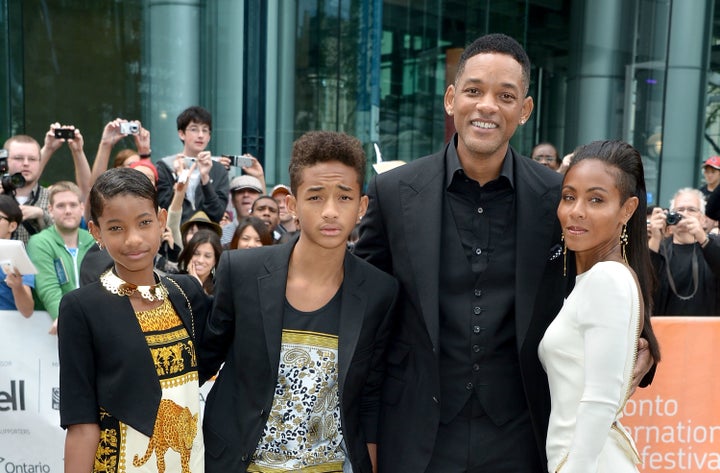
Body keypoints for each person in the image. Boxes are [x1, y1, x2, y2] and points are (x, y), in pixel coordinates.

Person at [354, 33, 655, 473]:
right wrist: (368, 428)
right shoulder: (394, 191)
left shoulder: (558, 196)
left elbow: (610, 273)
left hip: (524, 433)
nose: (487, 106)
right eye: (474, 91)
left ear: (525, 110)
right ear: (451, 99)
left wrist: (642, 346)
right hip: (416, 433)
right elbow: (368, 310)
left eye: (505, 95)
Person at [200, 130, 398, 472]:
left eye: (345, 198)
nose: (331, 212)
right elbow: (202, 362)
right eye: (316, 197)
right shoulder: (242, 272)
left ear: (362, 207)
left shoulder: (379, 292)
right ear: (291, 205)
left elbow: (370, 399)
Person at [58, 167, 210, 473]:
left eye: (144, 223)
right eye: (116, 228)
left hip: (187, 461)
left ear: (162, 221)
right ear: (96, 232)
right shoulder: (81, 308)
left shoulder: (187, 293)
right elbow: (82, 424)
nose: (134, 239)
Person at [539, 140, 661, 473]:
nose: (576, 210)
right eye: (568, 197)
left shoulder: (607, 279)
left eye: (596, 199)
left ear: (628, 209)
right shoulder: (592, 280)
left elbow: (600, 401)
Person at [26, 181, 95, 334]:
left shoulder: (94, 241)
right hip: (54, 327)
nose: (68, 211)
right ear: (50, 210)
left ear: (82, 208)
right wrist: (65, 318)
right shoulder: (40, 242)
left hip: (93, 323)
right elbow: (48, 288)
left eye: (73, 205)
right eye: (61, 206)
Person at [648, 187, 720, 315]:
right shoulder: (659, 247)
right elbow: (644, 284)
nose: (685, 214)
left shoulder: (712, 245)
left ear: (703, 219)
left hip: (707, 330)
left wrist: (701, 236)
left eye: (692, 210)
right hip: (664, 330)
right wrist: (655, 238)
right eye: (679, 210)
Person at [156, 106, 230, 223]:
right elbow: (164, 209)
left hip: (207, 237)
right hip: (174, 236)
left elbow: (217, 214)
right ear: (181, 134)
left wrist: (205, 179)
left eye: (205, 130)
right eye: (194, 129)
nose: (200, 135)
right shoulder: (166, 167)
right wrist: (180, 179)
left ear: (209, 137)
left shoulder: (219, 170)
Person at [0, 195, 34, 316]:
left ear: (12, 226)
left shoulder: (18, 256)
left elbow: (27, 311)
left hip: (8, 328)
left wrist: (17, 287)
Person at [220, 174, 265, 245]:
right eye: (240, 191)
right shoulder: (222, 234)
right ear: (233, 201)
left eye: (251, 191)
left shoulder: (269, 232)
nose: (246, 195)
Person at [177, 228, 222, 295]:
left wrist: (197, 287)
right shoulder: (175, 281)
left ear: (215, 260)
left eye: (207, 256)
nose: (200, 260)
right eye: (196, 253)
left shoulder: (219, 290)